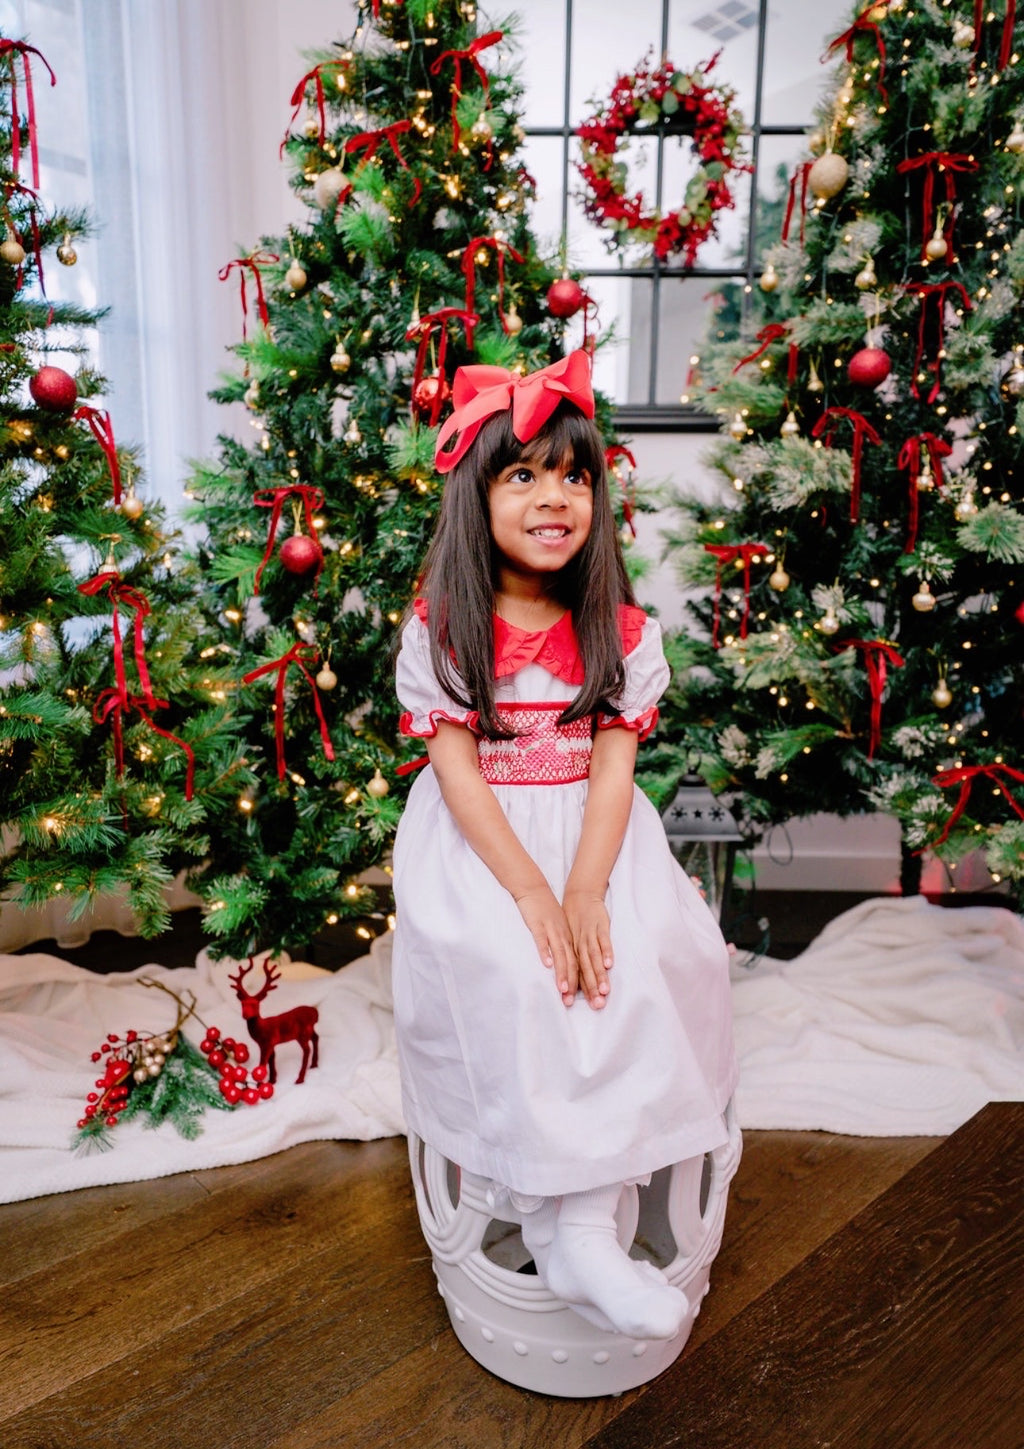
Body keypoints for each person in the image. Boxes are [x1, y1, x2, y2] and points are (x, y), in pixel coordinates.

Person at [391, 351, 737, 1342]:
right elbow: (457, 774)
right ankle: (561, 1224)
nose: (556, 498)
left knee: (637, 965)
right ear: (478, 493)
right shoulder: (446, 628)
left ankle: (591, 1215)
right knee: (515, 970)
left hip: (596, 839)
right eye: (525, 474)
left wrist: (585, 890)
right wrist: (535, 899)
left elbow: (614, 770)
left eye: (575, 476)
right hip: (485, 846)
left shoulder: (620, 632)